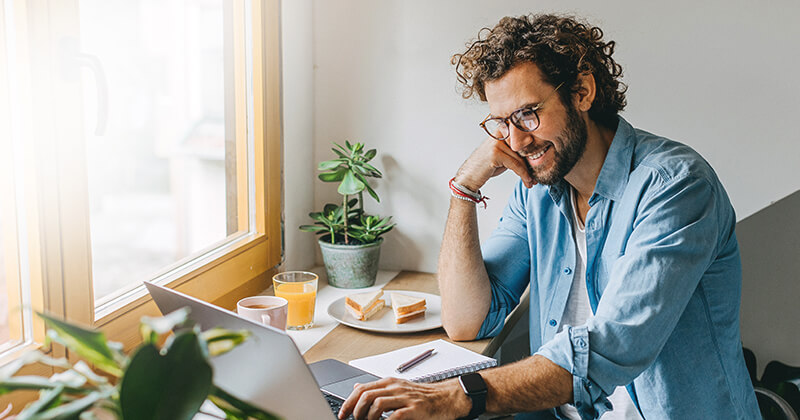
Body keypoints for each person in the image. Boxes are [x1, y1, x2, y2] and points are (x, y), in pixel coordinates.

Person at [339, 13, 761, 420]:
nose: (517, 140)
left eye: (528, 113)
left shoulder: (675, 186)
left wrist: (458, 395)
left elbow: (610, 348)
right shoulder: (540, 192)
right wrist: (464, 189)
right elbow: (467, 321)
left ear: (582, 92)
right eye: (501, 123)